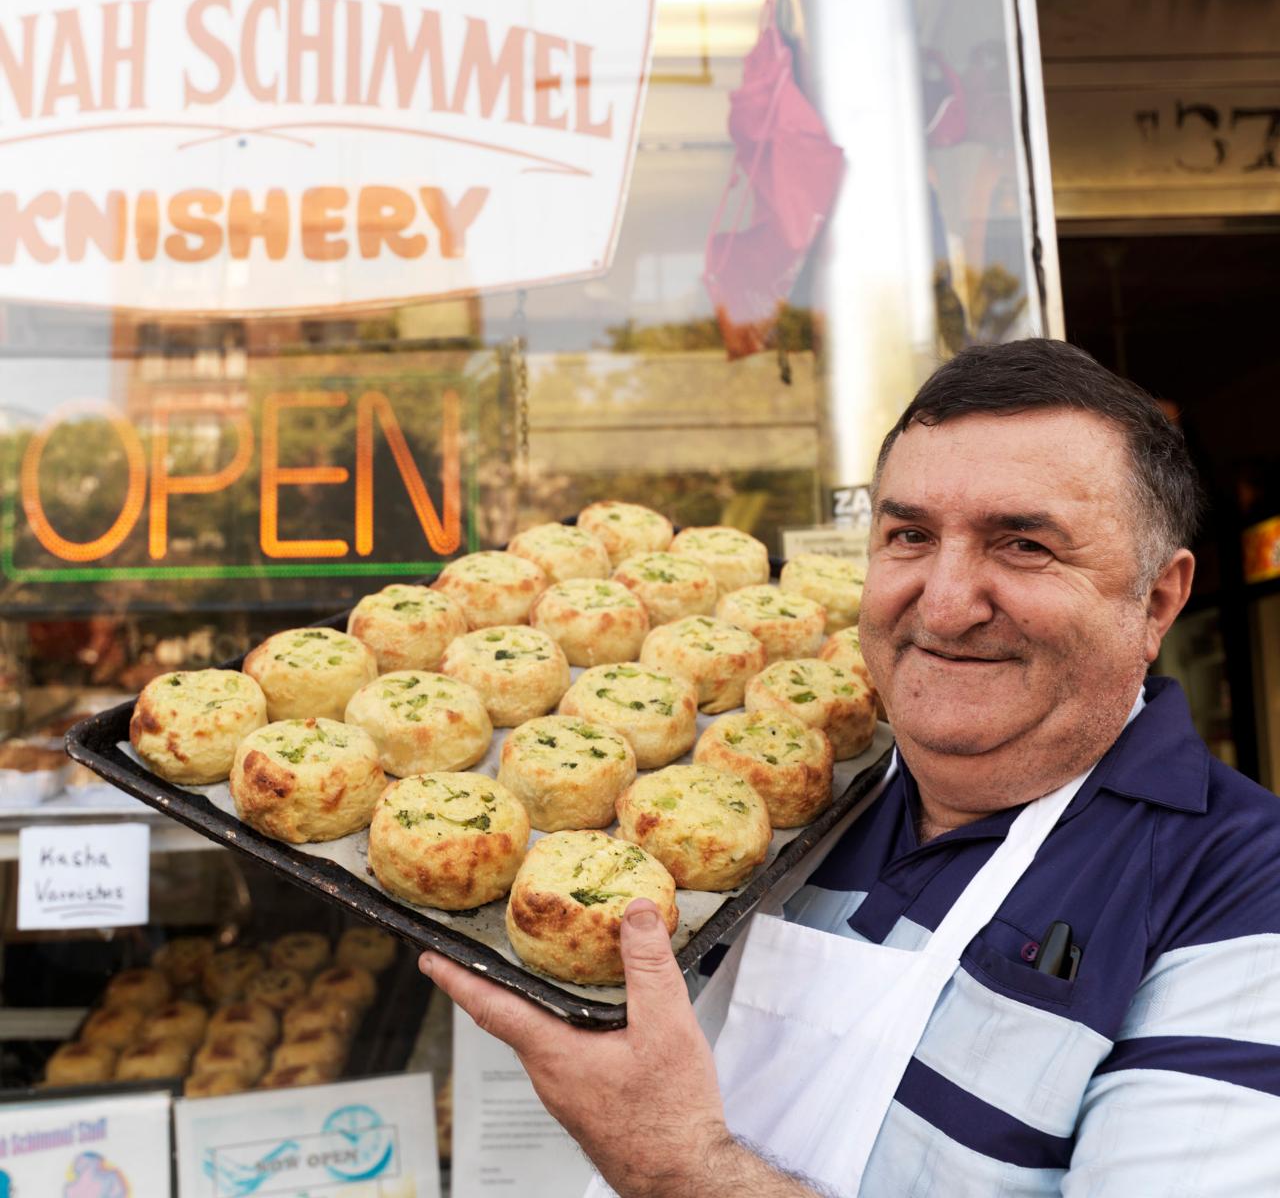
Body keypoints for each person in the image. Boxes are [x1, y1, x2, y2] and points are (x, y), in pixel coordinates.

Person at [420, 339, 1280, 1196]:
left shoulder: (1241, 895)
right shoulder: (776, 789)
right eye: (909, 535)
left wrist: (678, 1166)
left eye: (1022, 545)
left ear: (1157, 601)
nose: (943, 604)